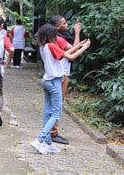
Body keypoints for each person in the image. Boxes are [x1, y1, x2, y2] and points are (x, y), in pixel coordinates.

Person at [31, 24, 90, 155]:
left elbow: (66, 53)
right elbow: (71, 57)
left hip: (47, 81)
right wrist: (84, 47)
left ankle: (48, 143)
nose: (56, 37)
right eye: (54, 35)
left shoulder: (44, 46)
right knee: (56, 113)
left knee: (47, 112)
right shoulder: (51, 46)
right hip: (54, 82)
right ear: (49, 36)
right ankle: (40, 140)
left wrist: (79, 44)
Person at [48, 15, 82, 144]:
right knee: (57, 103)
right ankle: (53, 132)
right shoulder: (59, 39)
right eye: (64, 23)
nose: (66, 24)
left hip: (57, 72)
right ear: (57, 26)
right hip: (61, 73)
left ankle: (50, 131)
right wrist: (77, 33)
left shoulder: (53, 38)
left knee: (54, 103)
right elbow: (74, 50)